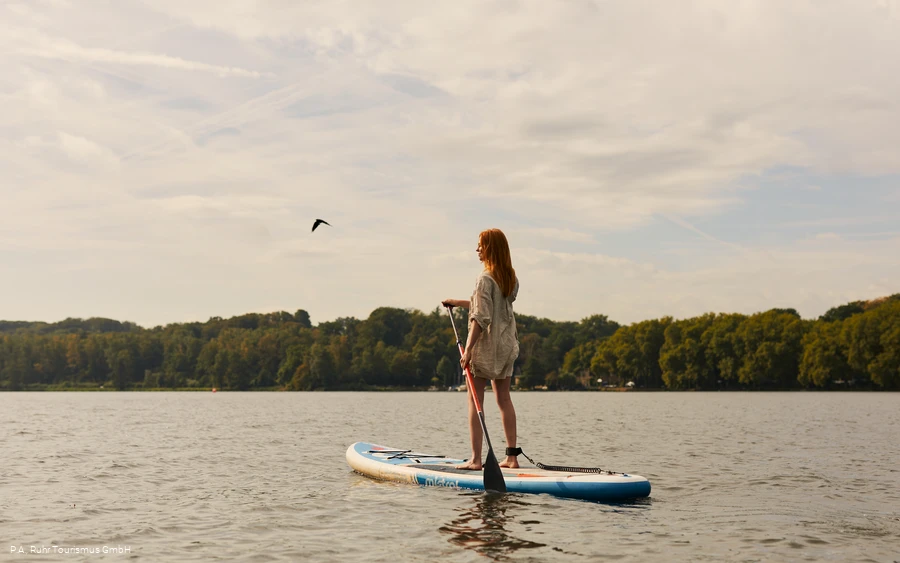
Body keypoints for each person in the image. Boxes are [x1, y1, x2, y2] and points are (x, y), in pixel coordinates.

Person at [442, 228, 521, 470]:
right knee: (504, 399)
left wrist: (468, 350)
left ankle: (476, 460)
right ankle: (512, 457)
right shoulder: (510, 278)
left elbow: (480, 317)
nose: (477, 250)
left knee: (474, 401)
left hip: (485, 347)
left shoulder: (484, 278)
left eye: (480, 245)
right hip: (506, 346)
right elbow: (488, 306)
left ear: (491, 248)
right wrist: (456, 302)